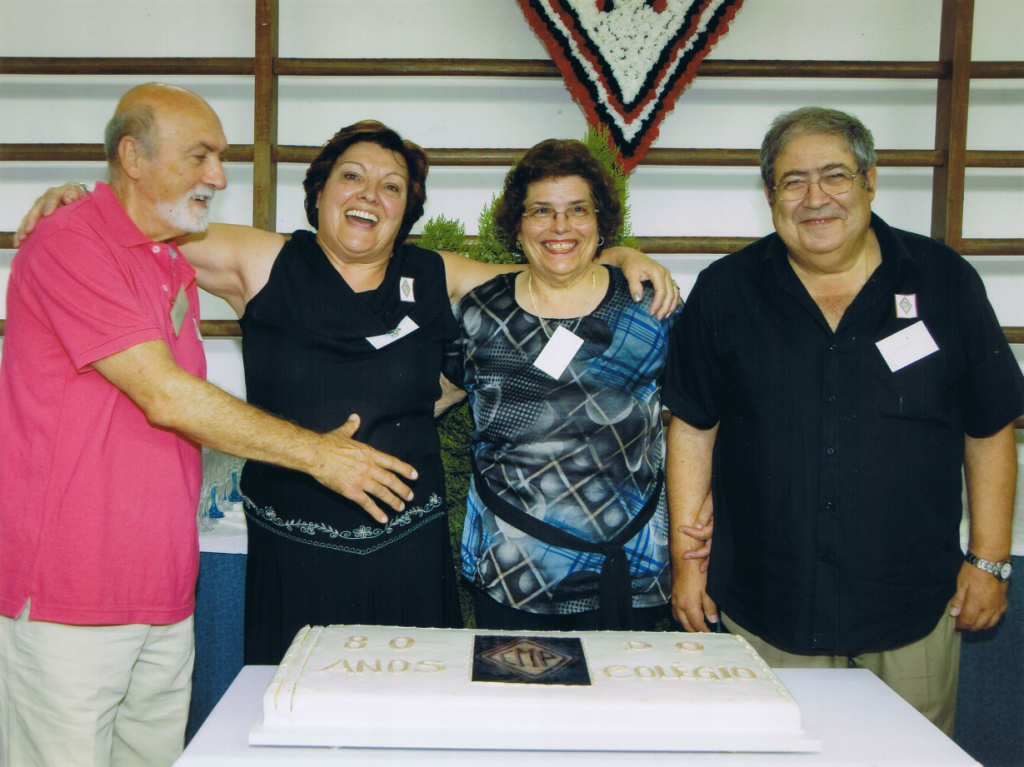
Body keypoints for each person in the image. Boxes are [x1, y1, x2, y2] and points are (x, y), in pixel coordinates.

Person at [15, 118, 679, 666]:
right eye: (352, 176)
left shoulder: (435, 272)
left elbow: (545, 267)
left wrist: (617, 256)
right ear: (320, 191)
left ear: (408, 209)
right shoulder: (262, 260)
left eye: (392, 186)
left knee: (408, 724)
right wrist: (82, 199)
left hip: (408, 551)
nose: (371, 195)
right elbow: (138, 223)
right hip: (294, 552)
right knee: (294, 717)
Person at [0, 84, 420, 767]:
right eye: (200, 156)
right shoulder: (71, 242)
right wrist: (319, 455)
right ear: (133, 157)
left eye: (220, 157)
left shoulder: (169, 258)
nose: (219, 177)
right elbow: (166, 397)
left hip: (162, 591)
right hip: (67, 597)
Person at [663, 106, 1024, 735]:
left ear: (869, 181)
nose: (815, 198)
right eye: (793, 181)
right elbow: (692, 428)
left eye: (834, 175)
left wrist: (989, 560)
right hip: (767, 599)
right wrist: (687, 563)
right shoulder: (726, 291)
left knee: (911, 755)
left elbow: (989, 427)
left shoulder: (945, 282)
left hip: (912, 603)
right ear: (770, 195)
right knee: (776, 752)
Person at [444, 139, 678, 631]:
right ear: (517, 224)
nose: (560, 226)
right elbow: (427, 398)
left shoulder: (650, 308)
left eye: (577, 210)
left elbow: (694, 425)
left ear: (600, 220)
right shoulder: (480, 312)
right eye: (541, 211)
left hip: (633, 572)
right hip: (513, 577)